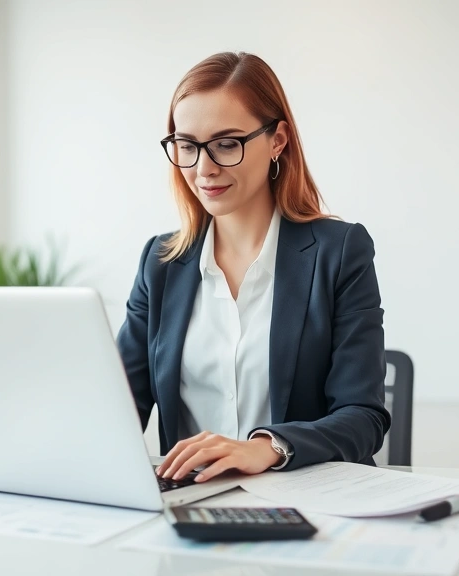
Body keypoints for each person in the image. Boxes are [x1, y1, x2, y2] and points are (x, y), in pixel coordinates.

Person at [116, 52, 390, 484]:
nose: (204, 168)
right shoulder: (160, 262)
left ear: (278, 139)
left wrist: (266, 448)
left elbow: (363, 417)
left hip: (308, 503)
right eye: (187, 146)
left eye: (226, 144)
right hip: (191, 507)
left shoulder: (338, 252)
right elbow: (117, 408)